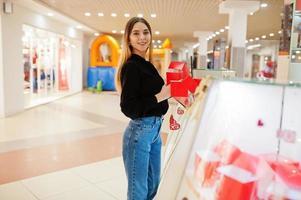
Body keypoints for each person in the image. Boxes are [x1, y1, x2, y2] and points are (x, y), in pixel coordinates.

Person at [115, 17, 171, 200]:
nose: (142, 37)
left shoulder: (147, 64)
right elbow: (128, 107)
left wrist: (172, 95)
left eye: (145, 32)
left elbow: (155, 97)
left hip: (154, 131)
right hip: (140, 132)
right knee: (138, 191)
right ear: (128, 38)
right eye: (136, 33)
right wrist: (160, 96)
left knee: (153, 184)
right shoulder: (131, 66)